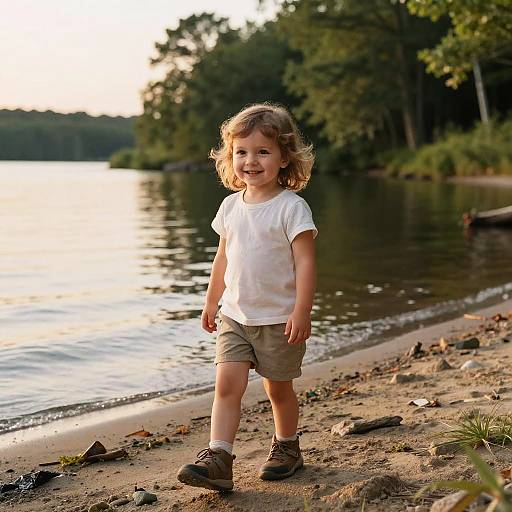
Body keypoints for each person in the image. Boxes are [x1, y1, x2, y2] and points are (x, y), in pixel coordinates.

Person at [177, 103, 317, 492]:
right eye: (241, 152)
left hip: (278, 319)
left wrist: (302, 310)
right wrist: (210, 301)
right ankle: (219, 457)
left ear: (285, 156)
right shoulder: (230, 207)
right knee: (227, 386)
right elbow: (223, 257)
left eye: (262, 151)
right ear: (229, 156)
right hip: (235, 317)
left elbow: (306, 263)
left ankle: (287, 447)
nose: (250, 161)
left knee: (278, 389)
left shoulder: (291, 207)